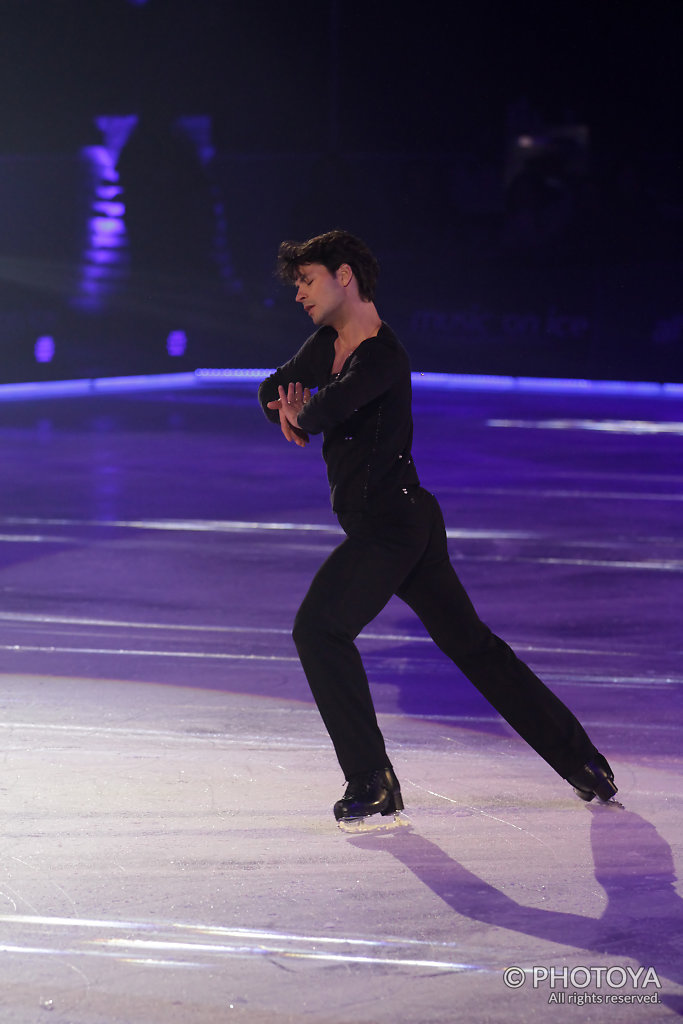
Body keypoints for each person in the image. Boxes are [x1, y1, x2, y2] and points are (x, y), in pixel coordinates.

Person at [258, 229, 617, 827]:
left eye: (308, 280)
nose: (299, 294)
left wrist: (302, 411)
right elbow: (273, 390)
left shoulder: (383, 355)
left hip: (392, 526)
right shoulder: (328, 344)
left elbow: (323, 410)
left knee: (319, 629)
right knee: (472, 646)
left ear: (344, 276)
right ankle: (582, 761)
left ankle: (372, 778)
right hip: (399, 521)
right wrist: (288, 409)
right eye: (297, 284)